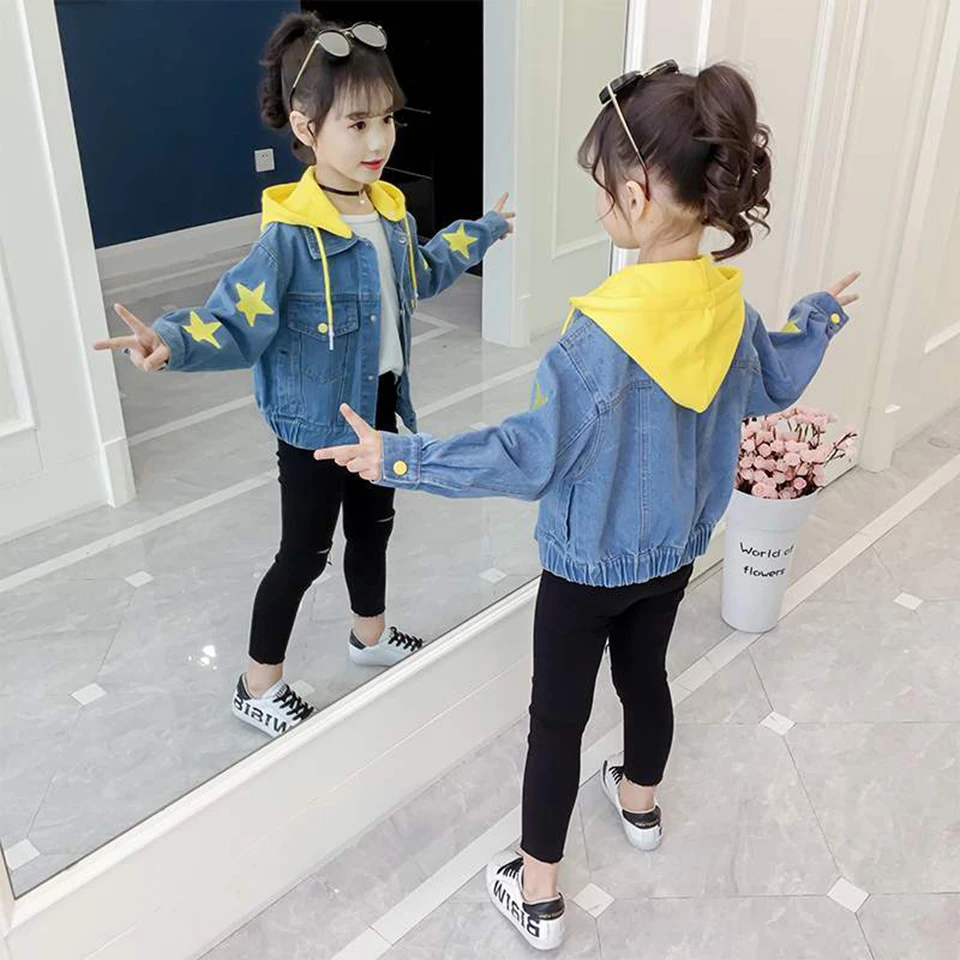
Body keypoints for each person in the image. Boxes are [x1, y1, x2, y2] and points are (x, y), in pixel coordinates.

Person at [316, 61, 859, 950]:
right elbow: (774, 384)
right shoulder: (728, 309)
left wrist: (399, 457)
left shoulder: (597, 340)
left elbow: (526, 456)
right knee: (646, 679)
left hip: (583, 572)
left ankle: (537, 892)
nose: (601, 201)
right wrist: (819, 316)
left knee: (557, 721)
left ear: (637, 195)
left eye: (604, 187)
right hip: (675, 555)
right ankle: (640, 805)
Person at [94, 12, 514, 739]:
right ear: (305, 126)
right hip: (315, 426)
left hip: (380, 406)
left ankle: (369, 635)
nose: (379, 141)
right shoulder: (289, 237)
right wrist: (169, 340)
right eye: (357, 124)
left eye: (387, 119)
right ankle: (256, 683)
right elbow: (234, 318)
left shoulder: (390, 214)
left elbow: (420, 273)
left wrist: (480, 232)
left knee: (375, 528)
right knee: (305, 553)